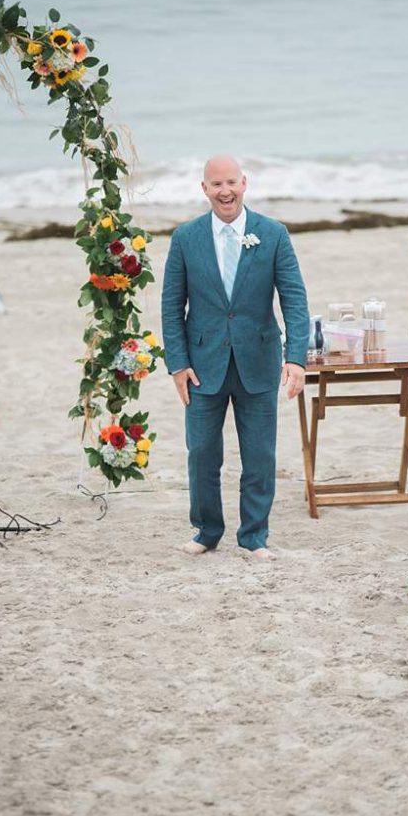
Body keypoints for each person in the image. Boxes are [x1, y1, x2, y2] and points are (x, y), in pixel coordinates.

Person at [161, 155, 310, 559]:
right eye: (216, 184)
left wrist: (296, 357)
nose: (225, 191)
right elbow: (172, 306)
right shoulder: (185, 238)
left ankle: (254, 536)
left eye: (232, 183)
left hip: (258, 362)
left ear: (244, 183)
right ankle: (206, 531)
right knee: (202, 454)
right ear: (204, 188)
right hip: (201, 366)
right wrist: (177, 363)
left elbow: (294, 300)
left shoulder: (273, 234)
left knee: (260, 455)